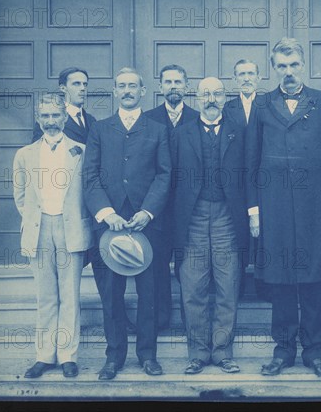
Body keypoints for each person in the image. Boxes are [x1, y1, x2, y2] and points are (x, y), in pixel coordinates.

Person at [246, 38, 321, 378]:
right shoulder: (261, 105)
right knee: (281, 278)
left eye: (294, 66)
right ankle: (283, 350)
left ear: (303, 65)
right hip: (274, 207)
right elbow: (251, 160)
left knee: (315, 276)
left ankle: (314, 352)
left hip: (315, 204)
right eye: (282, 67)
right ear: (274, 68)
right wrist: (254, 210)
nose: (288, 73)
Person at [83, 67, 172, 380]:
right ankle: (114, 357)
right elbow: (90, 176)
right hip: (109, 225)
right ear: (114, 91)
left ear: (144, 90)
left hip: (145, 224)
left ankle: (148, 355)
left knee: (150, 293)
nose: (127, 91)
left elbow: (164, 174)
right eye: (121, 86)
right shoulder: (100, 129)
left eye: (133, 86)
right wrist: (107, 214)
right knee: (111, 294)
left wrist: (147, 211)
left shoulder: (157, 129)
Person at [171, 77, 248, 375]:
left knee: (228, 285)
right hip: (193, 216)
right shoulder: (181, 133)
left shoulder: (238, 132)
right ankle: (198, 353)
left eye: (217, 93)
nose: (211, 98)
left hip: (228, 215)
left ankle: (223, 351)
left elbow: (249, 173)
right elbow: (172, 178)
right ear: (198, 97)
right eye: (206, 94)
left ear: (224, 96)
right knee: (193, 286)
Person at [14, 94, 92, 379]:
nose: (50, 121)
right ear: (38, 118)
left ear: (64, 117)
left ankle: (68, 355)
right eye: (44, 116)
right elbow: (20, 195)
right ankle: (44, 355)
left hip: (70, 228)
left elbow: (88, 192)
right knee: (45, 296)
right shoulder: (24, 154)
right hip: (39, 228)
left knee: (70, 296)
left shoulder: (81, 151)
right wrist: (36, 218)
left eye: (55, 115)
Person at [145, 64, 199, 330]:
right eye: (168, 82)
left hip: (190, 205)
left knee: (189, 263)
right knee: (157, 263)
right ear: (160, 87)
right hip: (157, 205)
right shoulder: (148, 119)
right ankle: (160, 318)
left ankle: (192, 320)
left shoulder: (199, 118)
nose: (173, 86)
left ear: (187, 86)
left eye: (179, 81)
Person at [32, 67, 95, 144]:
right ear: (63, 88)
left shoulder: (91, 120)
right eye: (76, 84)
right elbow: (38, 150)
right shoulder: (49, 119)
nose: (83, 88)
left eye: (85, 84)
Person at [223, 59, 262, 127]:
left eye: (251, 73)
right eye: (242, 74)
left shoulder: (269, 106)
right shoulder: (226, 108)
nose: (246, 79)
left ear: (258, 78)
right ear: (235, 79)